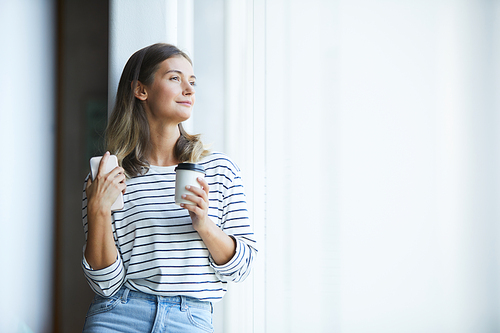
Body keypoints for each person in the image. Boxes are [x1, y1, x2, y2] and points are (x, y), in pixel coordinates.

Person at [81, 43, 257, 332]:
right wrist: (98, 208)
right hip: (117, 315)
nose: (189, 89)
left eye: (192, 82)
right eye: (175, 78)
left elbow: (242, 268)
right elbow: (105, 283)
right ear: (141, 90)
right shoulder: (108, 176)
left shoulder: (219, 171)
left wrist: (204, 224)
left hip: (189, 320)